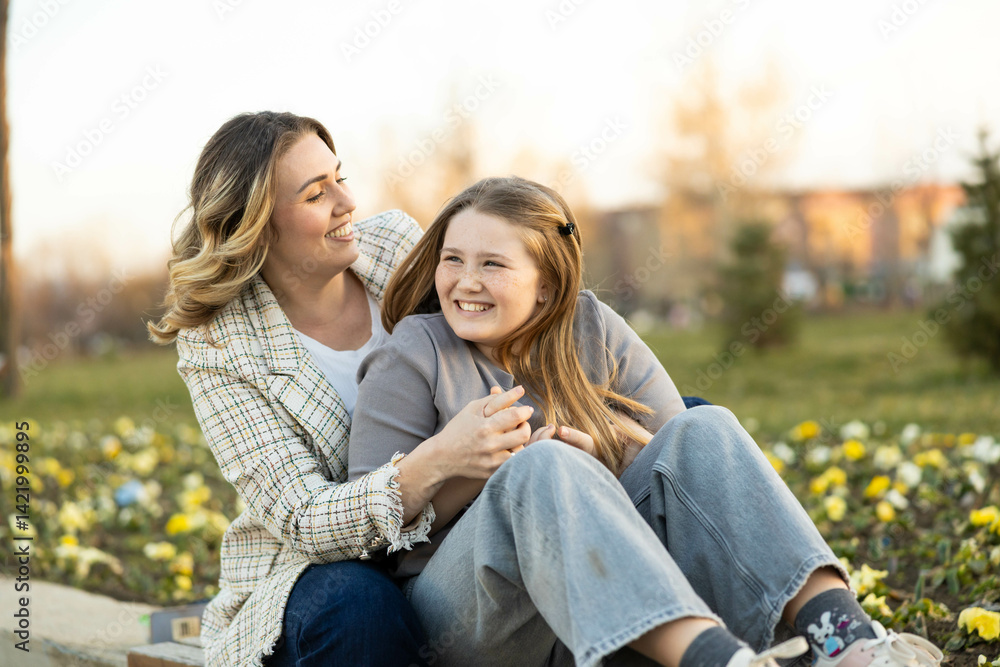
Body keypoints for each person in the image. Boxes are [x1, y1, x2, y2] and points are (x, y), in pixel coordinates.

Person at [347, 176, 945, 667]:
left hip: (613, 595)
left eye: (492, 264)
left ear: (546, 286)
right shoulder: (414, 353)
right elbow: (366, 533)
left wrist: (600, 461)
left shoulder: (591, 326)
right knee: (541, 466)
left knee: (705, 427)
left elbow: (678, 462)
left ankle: (849, 645)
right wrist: (469, 469)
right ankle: (718, 662)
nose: (465, 282)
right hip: (477, 622)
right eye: (452, 259)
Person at [147, 112, 538, 667]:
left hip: (454, 538)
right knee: (359, 604)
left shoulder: (397, 247)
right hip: (321, 575)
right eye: (315, 194)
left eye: (340, 177)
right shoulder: (219, 345)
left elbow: (504, 335)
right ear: (255, 225)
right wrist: (439, 459)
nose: (347, 202)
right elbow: (301, 518)